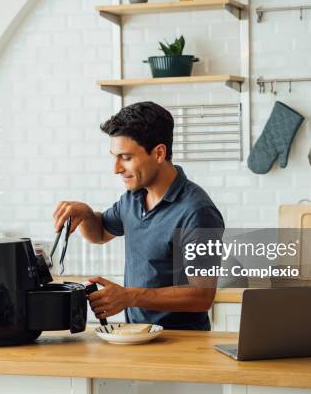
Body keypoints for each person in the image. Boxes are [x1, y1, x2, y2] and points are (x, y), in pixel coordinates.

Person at [52, 101, 224, 330]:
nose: (116, 168)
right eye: (114, 156)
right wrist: (85, 214)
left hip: (182, 343)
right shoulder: (132, 198)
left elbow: (202, 296)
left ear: (159, 153)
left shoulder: (198, 212)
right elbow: (100, 233)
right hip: (137, 337)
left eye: (126, 157)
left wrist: (130, 296)